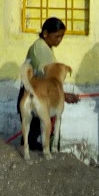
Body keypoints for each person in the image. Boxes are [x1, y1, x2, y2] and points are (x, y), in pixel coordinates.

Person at [22, 17, 77, 151]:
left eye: (62, 37)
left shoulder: (46, 47)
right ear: (45, 33)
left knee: (36, 139)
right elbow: (48, 82)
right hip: (37, 96)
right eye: (57, 36)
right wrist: (63, 95)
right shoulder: (40, 48)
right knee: (35, 141)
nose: (59, 40)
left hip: (39, 95)